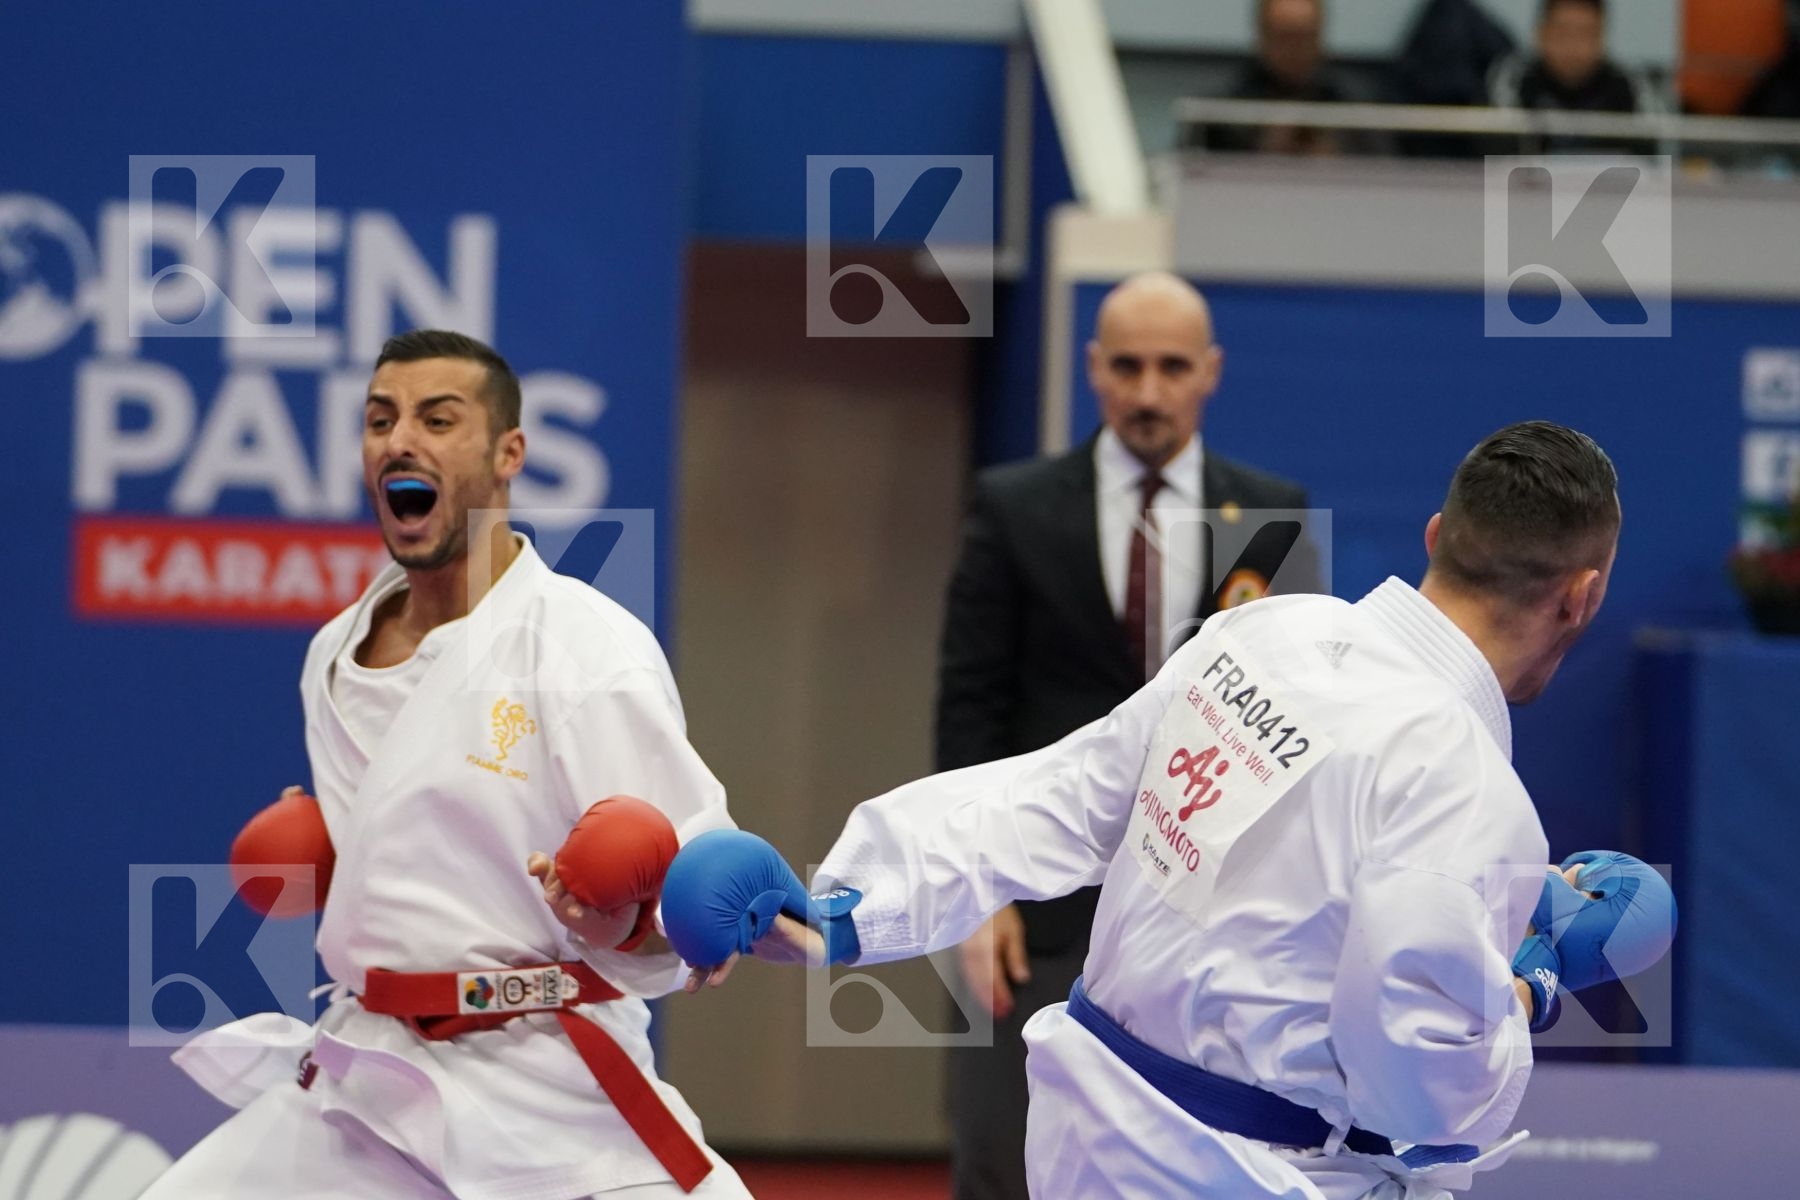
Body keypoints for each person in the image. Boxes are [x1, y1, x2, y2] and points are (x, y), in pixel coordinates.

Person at [675, 422, 1677, 1198]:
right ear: (1583, 597)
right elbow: (1417, 1079)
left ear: (1435, 538)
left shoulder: (1268, 633)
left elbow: (1069, 794)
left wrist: (845, 911)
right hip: (1248, 1171)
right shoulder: (1470, 789)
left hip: (1085, 1136)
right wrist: (1531, 984)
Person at [143, 330, 751, 1199]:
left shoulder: (583, 648)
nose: (400, 440)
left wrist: (617, 914)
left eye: (437, 418)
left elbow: (696, 910)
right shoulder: (335, 653)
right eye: (381, 419)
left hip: (543, 1083)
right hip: (371, 1078)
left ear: (509, 453)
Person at [935, 271, 1317, 1200]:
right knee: (1001, 1157)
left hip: (1211, 913)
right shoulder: (1014, 506)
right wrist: (978, 892)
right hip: (1036, 900)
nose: (1150, 392)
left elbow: (1301, 722)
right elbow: (969, 704)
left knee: (1190, 1169)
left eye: (1173, 367)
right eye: (1130, 366)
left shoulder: (1270, 515)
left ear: (1212, 372)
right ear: (1093, 369)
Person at [1196, 0, 1388, 156]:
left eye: (1306, 37)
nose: (1296, 49)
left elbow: (1389, 173)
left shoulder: (1353, 109)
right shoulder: (1222, 113)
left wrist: (1337, 157)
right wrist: (1259, 153)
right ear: (1262, 37)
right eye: (1286, 37)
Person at [1487, 0, 1660, 154]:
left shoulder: (1628, 85)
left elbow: (1653, 149)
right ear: (1541, 33)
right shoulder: (1514, 79)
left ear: (1602, 37)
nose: (1573, 47)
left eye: (1586, 34)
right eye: (1563, 33)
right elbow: (1500, 150)